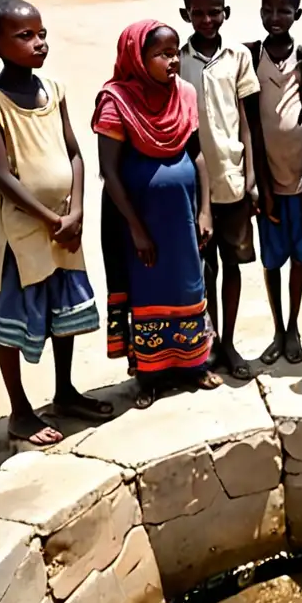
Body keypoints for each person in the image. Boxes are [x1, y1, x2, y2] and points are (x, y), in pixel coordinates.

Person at [0, 0, 111, 446]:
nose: (39, 43)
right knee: (14, 317)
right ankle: (19, 411)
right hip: (21, 231)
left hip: (63, 223)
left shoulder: (54, 89)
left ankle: (65, 390)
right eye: (25, 36)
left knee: (62, 310)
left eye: (41, 33)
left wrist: (77, 210)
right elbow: (1, 174)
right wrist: (52, 218)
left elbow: (73, 152)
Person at [94, 20, 222, 408]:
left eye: (174, 53)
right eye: (161, 55)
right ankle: (148, 376)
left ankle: (193, 365)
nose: (172, 62)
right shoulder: (116, 101)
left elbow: (196, 154)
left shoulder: (183, 94)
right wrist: (136, 230)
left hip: (182, 217)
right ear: (137, 57)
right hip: (140, 222)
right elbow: (109, 173)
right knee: (146, 292)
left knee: (188, 286)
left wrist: (205, 210)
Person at [178, 0, 261, 380]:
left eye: (215, 12)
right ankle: (205, 344)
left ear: (225, 13)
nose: (207, 19)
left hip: (233, 179)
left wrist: (253, 177)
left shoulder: (238, 57)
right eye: (198, 13)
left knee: (233, 264)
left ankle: (228, 342)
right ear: (185, 15)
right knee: (201, 269)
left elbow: (247, 122)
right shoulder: (176, 61)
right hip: (195, 187)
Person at [245, 0, 302, 366]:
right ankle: (277, 328)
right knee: (272, 260)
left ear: (297, 15)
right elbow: (253, 124)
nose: (276, 18)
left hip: (301, 178)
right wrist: (261, 184)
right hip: (269, 177)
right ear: (260, 13)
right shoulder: (249, 54)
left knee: (298, 259)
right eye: (269, 11)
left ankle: (294, 328)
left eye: (284, 11)